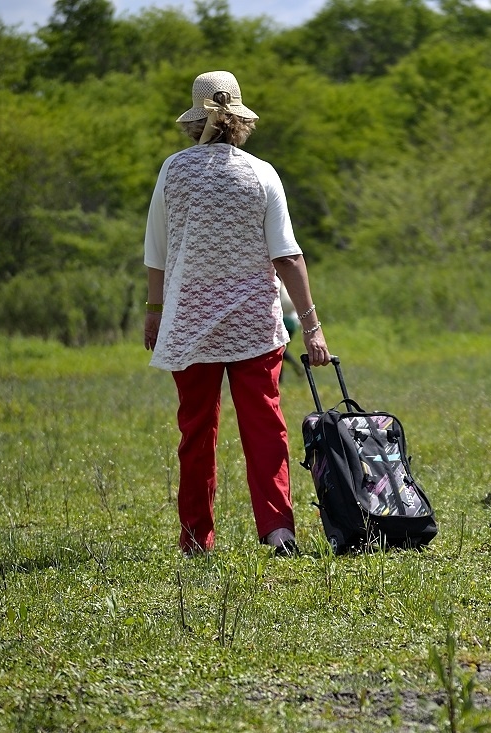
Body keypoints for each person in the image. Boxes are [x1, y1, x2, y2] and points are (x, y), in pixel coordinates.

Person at [142, 70, 331, 557]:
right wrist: (312, 327)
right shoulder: (261, 172)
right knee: (266, 426)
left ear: (194, 120)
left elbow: (157, 252)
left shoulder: (173, 170)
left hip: (188, 319)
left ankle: (196, 539)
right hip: (254, 322)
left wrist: (154, 310)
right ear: (239, 120)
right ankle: (278, 530)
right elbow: (287, 256)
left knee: (196, 432)